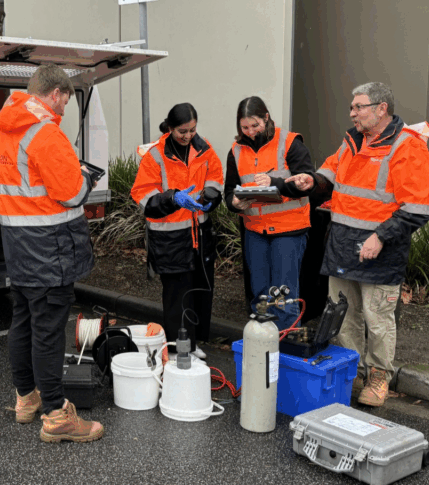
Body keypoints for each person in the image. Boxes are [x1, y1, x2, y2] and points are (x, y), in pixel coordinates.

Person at [288, 82, 429, 407]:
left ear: (381, 109)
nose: (352, 112)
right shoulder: (351, 141)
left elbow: (417, 208)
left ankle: (379, 378)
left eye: (359, 107)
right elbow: (331, 171)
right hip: (342, 246)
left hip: (380, 252)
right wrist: (313, 180)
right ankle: (350, 372)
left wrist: (379, 237)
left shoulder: (407, 147)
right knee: (344, 316)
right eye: (352, 107)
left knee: (378, 319)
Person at [0, 64, 103, 443]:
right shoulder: (46, 133)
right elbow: (71, 193)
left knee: (23, 321)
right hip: (50, 248)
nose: (64, 109)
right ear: (56, 93)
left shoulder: (5, 130)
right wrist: (86, 176)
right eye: (66, 101)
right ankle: (56, 415)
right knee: (49, 332)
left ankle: (27, 399)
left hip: (19, 245)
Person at [130, 103, 224, 359]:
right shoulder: (156, 155)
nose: (188, 135)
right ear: (170, 128)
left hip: (200, 236)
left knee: (200, 292)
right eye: (183, 131)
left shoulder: (204, 149)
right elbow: (143, 195)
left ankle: (192, 344)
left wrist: (212, 196)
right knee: (177, 298)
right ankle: (180, 349)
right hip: (170, 239)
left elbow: (215, 177)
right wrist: (173, 199)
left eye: (192, 130)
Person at [224, 97, 313, 329]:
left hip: (289, 231)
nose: (251, 132)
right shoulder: (236, 150)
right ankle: (261, 346)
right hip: (255, 230)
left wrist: (275, 183)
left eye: (255, 125)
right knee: (260, 294)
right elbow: (229, 191)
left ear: (266, 118)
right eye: (244, 127)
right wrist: (234, 203)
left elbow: (306, 182)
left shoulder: (291, 142)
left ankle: (286, 351)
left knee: (283, 296)